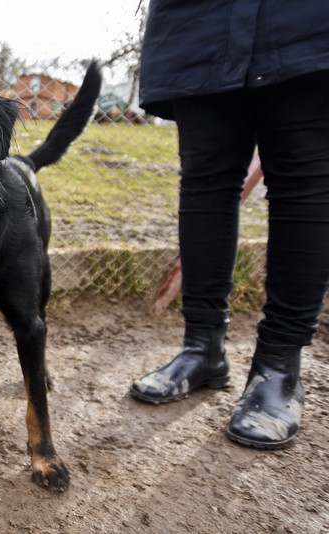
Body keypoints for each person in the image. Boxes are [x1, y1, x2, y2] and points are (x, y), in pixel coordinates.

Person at [129, 0, 329, 449]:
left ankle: (278, 367)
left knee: (304, 182)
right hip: (200, 23)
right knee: (204, 183)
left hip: (308, 24)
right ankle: (202, 348)